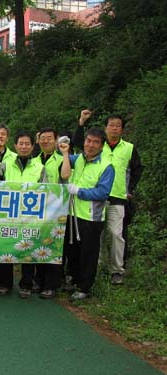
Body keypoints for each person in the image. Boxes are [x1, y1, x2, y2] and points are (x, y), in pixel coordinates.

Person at [74, 110, 142, 285]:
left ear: (122, 130)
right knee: (97, 235)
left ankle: (117, 270)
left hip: (117, 197)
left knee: (115, 233)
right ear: (106, 128)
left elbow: (137, 169)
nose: (114, 128)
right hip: (94, 199)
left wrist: (130, 189)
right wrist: (81, 123)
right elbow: (78, 143)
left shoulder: (129, 148)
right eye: (111, 125)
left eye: (118, 126)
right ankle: (98, 264)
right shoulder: (97, 145)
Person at [0, 131, 45, 299]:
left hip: (29, 215)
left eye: (27, 144)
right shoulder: (6, 163)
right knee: (6, 248)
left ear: (32, 146)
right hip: (8, 213)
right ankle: (5, 284)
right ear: (15, 146)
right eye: (21, 143)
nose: (24, 146)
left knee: (27, 249)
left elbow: (45, 190)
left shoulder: (40, 167)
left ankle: (26, 285)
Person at [61, 128, 115, 301]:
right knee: (72, 250)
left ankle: (85, 287)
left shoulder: (106, 166)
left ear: (102, 146)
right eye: (88, 141)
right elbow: (61, 159)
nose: (90, 145)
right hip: (72, 213)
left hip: (91, 217)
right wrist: (61, 146)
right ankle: (73, 279)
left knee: (88, 253)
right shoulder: (78, 158)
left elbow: (102, 193)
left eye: (95, 142)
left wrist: (79, 191)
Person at [32, 127, 66, 299]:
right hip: (37, 210)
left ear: (56, 140)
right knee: (39, 244)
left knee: (53, 244)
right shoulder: (34, 161)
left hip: (56, 210)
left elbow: (66, 179)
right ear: (38, 140)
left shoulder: (61, 160)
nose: (45, 141)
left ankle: (51, 285)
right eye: (42, 138)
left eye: (49, 138)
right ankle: (39, 280)